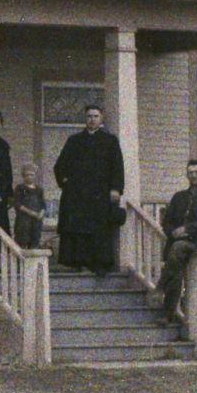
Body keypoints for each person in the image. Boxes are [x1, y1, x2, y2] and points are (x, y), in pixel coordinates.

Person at [52, 103, 126, 275]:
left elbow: (117, 167)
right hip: (77, 195)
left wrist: (116, 189)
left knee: (98, 230)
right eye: (89, 116)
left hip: (100, 195)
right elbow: (60, 165)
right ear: (85, 119)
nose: (92, 120)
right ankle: (77, 263)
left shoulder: (110, 141)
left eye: (95, 116)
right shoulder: (75, 140)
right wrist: (66, 182)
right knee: (78, 229)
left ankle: (98, 264)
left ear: (101, 119)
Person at [158, 158, 197, 323]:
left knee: (177, 250)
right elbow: (166, 222)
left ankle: (160, 287)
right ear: (187, 175)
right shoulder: (179, 197)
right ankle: (167, 315)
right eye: (190, 172)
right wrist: (173, 232)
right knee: (176, 272)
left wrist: (187, 229)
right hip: (177, 242)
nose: (193, 176)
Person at [11, 173, 48, 251]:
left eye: (32, 175)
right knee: (22, 239)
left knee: (35, 239)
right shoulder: (20, 188)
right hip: (23, 219)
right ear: (23, 176)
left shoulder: (39, 189)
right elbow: (17, 204)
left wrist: (41, 213)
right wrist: (30, 212)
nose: (29, 177)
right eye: (27, 175)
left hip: (36, 220)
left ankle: (33, 262)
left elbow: (43, 205)